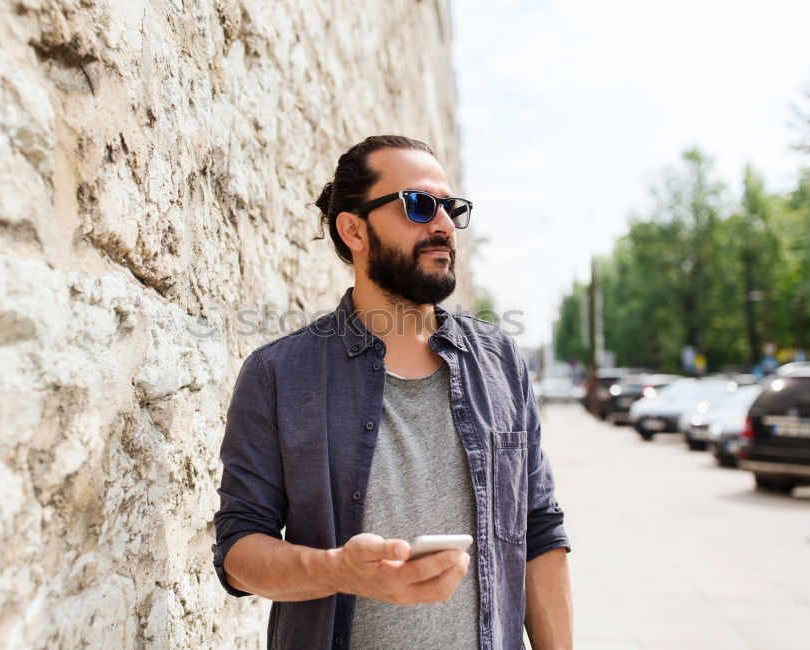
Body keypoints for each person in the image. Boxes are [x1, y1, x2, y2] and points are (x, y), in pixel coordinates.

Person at [213, 135, 572, 649]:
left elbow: (539, 530)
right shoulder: (278, 375)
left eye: (451, 208)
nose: (444, 225)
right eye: (420, 205)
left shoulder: (500, 361)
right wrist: (341, 571)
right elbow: (238, 553)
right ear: (354, 229)